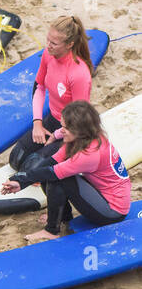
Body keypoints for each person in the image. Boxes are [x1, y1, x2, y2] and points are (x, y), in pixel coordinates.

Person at [2, 100, 130, 241]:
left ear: (79, 130)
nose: (61, 131)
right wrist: (19, 180)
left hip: (112, 211)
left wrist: (21, 180)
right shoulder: (84, 138)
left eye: (65, 128)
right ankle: (61, 217)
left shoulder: (90, 153)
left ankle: (52, 230)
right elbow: (50, 163)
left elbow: (53, 172)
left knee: (59, 178)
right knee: (51, 174)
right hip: (101, 195)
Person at [8, 16, 95, 173]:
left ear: (70, 44)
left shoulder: (79, 74)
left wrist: (56, 135)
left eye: (54, 43)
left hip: (73, 131)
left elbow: (79, 120)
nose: (48, 46)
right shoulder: (48, 55)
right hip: (54, 120)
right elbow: (39, 87)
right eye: (48, 40)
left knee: (31, 169)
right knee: (16, 158)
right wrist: (37, 123)